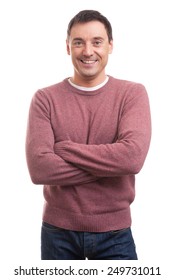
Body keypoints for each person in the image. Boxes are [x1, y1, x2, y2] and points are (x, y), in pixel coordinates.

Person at [26, 10, 151, 260]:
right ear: (67, 47)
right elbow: (40, 170)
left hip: (115, 234)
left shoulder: (132, 94)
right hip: (57, 233)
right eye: (78, 42)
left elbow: (132, 159)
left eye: (97, 41)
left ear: (110, 45)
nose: (88, 51)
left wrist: (65, 149)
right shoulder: (45, 98)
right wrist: (110, 166)